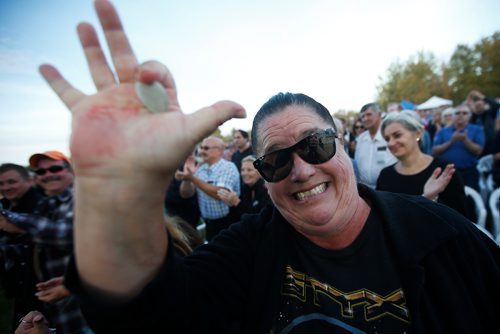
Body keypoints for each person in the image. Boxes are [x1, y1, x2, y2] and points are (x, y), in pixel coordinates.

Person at [39, 1, 498, 333]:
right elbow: (147, 316)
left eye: (315, 146)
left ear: (342, 144)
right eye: (276, 161)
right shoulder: (250, 249)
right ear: (260, 171)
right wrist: (122, 194)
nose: (300, 170)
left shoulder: (444, 238)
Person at [0, 151, 90, 333]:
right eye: (41, 172)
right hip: (58, 301)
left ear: (71, 171)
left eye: (55, 168)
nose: (48, 175)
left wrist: (12, 219)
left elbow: (73, 235)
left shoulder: (84, 197)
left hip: (86, 303)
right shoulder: (49, 204)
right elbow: (33, 247)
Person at [376, 110, 469, 217]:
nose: (391, 143)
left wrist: (432, 199)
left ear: (418, 133)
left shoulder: (444, 171)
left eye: (397, 135)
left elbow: (461, 218)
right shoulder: (386, 176)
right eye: (387, 139)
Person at [0, 164, 45, 332]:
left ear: (29, 181)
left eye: (11, 182)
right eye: (1, 183)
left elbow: (34, 245)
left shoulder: (40, 204)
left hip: (39, 284)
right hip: (17, 285)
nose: (6, 187)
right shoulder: (5, 205)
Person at [177, 136, 240, 240]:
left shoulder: (228, 167)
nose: (201, 151)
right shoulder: (201, 168)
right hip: (208, 223)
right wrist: (186, 179)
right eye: (201, 148)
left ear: (219, 151)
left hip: (227, 223)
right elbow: (186, 194)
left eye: (206, 148)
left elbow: (220, 193)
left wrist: (192, 178)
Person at [432, 104, 485, 191]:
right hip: (447, 172)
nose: (461, 115)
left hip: (468, 172)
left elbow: (478, 151)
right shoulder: (443, 131)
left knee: (471, 200)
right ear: (453, 116)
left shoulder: (477, 130)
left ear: (470, 116)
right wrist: (451, 141)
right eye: (457, 113)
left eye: (464, 113)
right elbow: (434, 151)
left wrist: (465, 140)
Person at [217, 155, 271, 223]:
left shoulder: (267, 190)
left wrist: (237, 202)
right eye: (242, 170)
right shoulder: (243, 188)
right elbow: (237, 216)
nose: (245, 173)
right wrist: (230, 202)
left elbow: (259, 217)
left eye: (249, 170)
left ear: (259, 172)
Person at [355, 102, 397, 188]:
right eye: (362, 116)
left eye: (369, 114)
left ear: (380, 114)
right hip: (366, 189)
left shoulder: (389, 135)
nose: (365, 119)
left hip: (389, 187)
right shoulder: (361, 139)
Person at [467, 90, 500, 156]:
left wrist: (482, 96)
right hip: (476, 146)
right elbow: (465, 107)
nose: (478, 106)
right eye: (476, 105)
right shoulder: (472, 117)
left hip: (489, 145)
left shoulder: (489, 114)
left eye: (480, 104)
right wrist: (469, 98)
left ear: (484, 105)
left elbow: (495, 105)